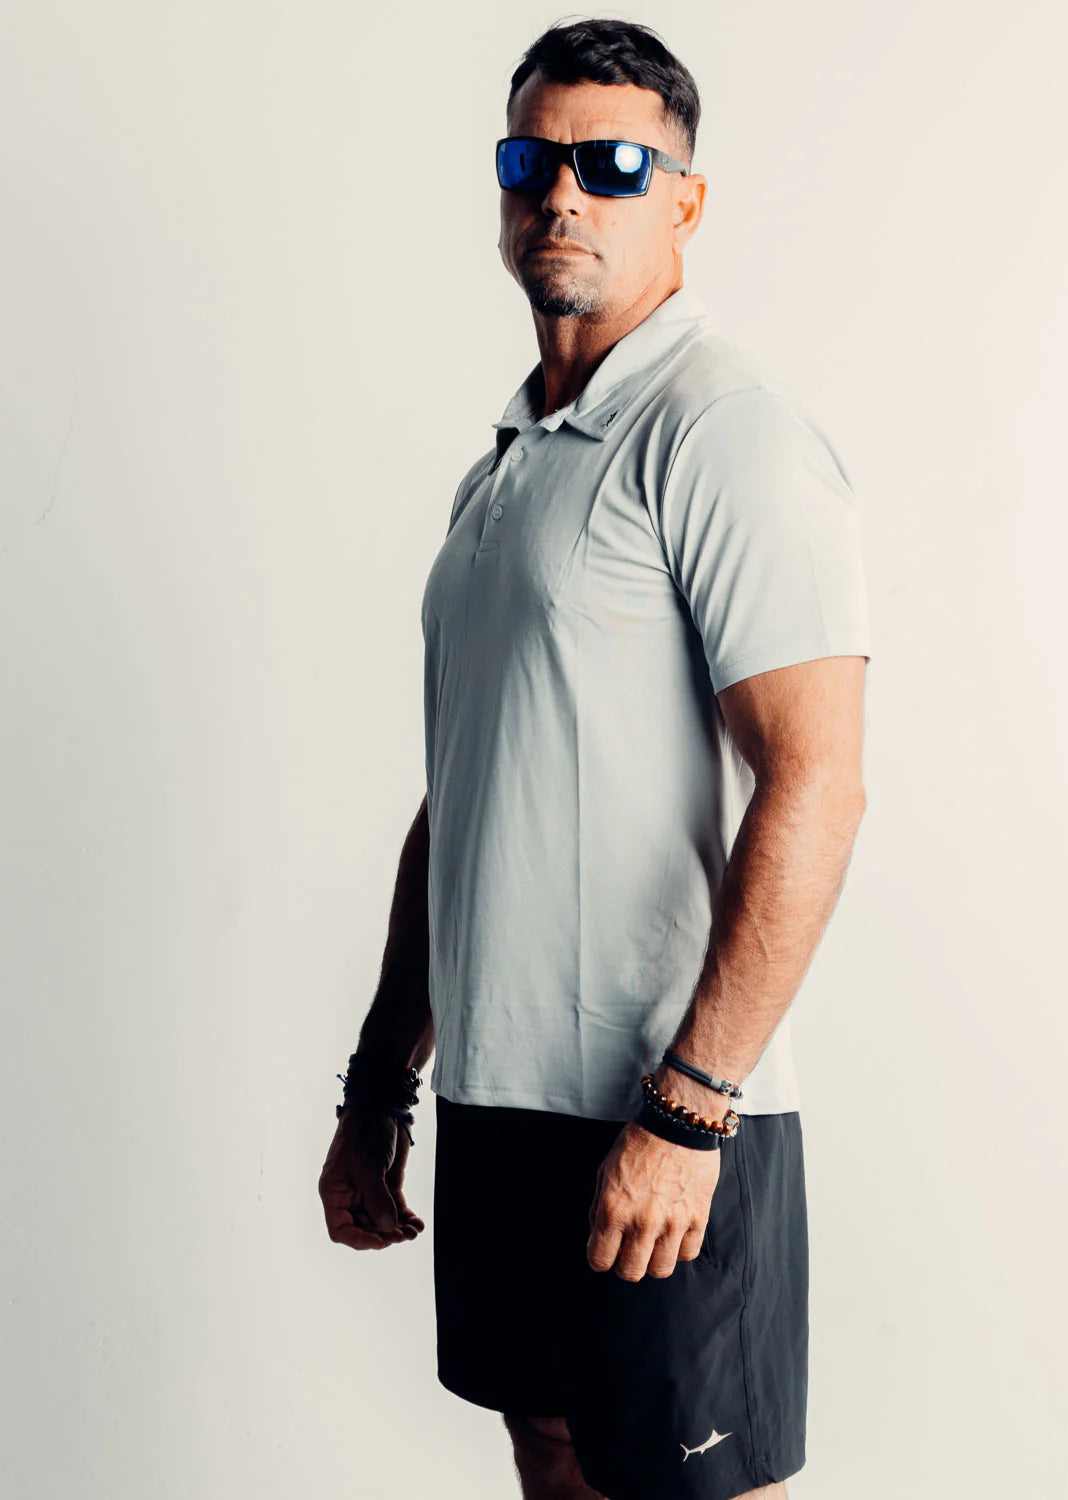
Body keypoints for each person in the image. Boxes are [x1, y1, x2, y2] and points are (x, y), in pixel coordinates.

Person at [318, 18, 872, 1500]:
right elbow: (464, 796)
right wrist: (380, 1084)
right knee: (551, 1459)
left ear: (684, 200)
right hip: (502, 1103)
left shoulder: (726, 432)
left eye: (614, 163)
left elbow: (819, 780)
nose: (564, 193)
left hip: (666, 1103)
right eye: (533, 161)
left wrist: (691, 1105)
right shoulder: (499, 473)